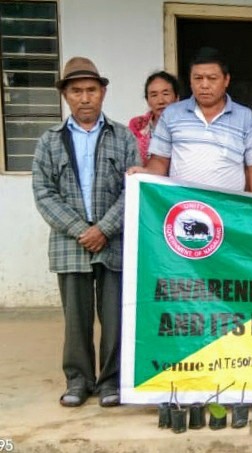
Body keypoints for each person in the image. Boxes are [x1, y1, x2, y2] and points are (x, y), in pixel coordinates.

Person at [32, 57, 140, 407]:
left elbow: (132, 188)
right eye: (76, 91)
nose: (84, 98)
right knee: (76, 320)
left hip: (114, 241)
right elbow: (43, 193)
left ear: (103, 92)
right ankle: (78, 381)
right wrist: (82, 230)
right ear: (65, 95)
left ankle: (111, 382)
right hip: (70, 244)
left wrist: (105, 229)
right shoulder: (49, 141)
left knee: (114, 317)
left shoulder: (122, 136)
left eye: (91, 90)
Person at [128, 47, 252, 193]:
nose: (204, 85)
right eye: (198, 78)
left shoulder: (246, 118)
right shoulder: (172, 114)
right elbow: (160, 161)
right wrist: (144, 174)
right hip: (183, 207)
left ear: (226, 80)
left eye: (212, 78)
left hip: (228, 210)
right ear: (190, 81)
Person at [128, 71, 179, 164]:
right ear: (147, 100)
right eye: (154, 95)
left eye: (166, 94)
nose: (160, 101)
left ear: (177, 98)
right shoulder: (137, 125)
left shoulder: (186, 125)